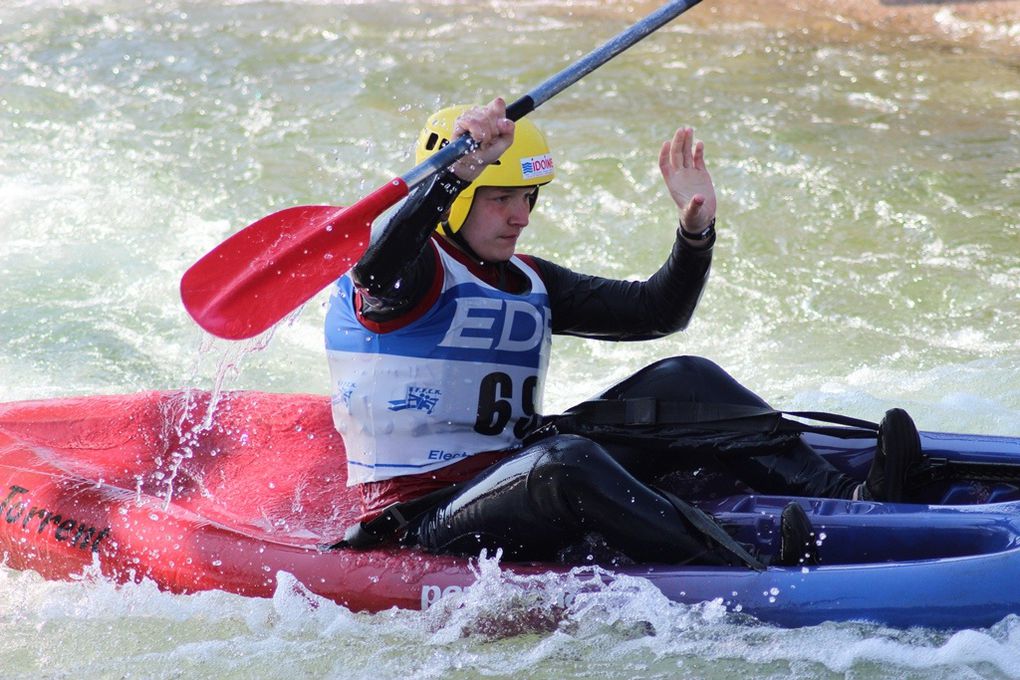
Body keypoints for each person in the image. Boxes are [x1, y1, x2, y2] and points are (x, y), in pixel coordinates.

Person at [324, 98, 917, 566]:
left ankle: (853, 499)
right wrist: (451, 177)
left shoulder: (529, 278)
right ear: (455, 199)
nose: (521, 216)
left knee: (687, 378)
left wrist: (695, 234)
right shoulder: (405, 276)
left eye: (526, 197)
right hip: (426, 516)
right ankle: (748, 566)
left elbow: (656, 313)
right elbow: (377, 263)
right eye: (499, 197)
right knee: (565, 463)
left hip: (512, 468)